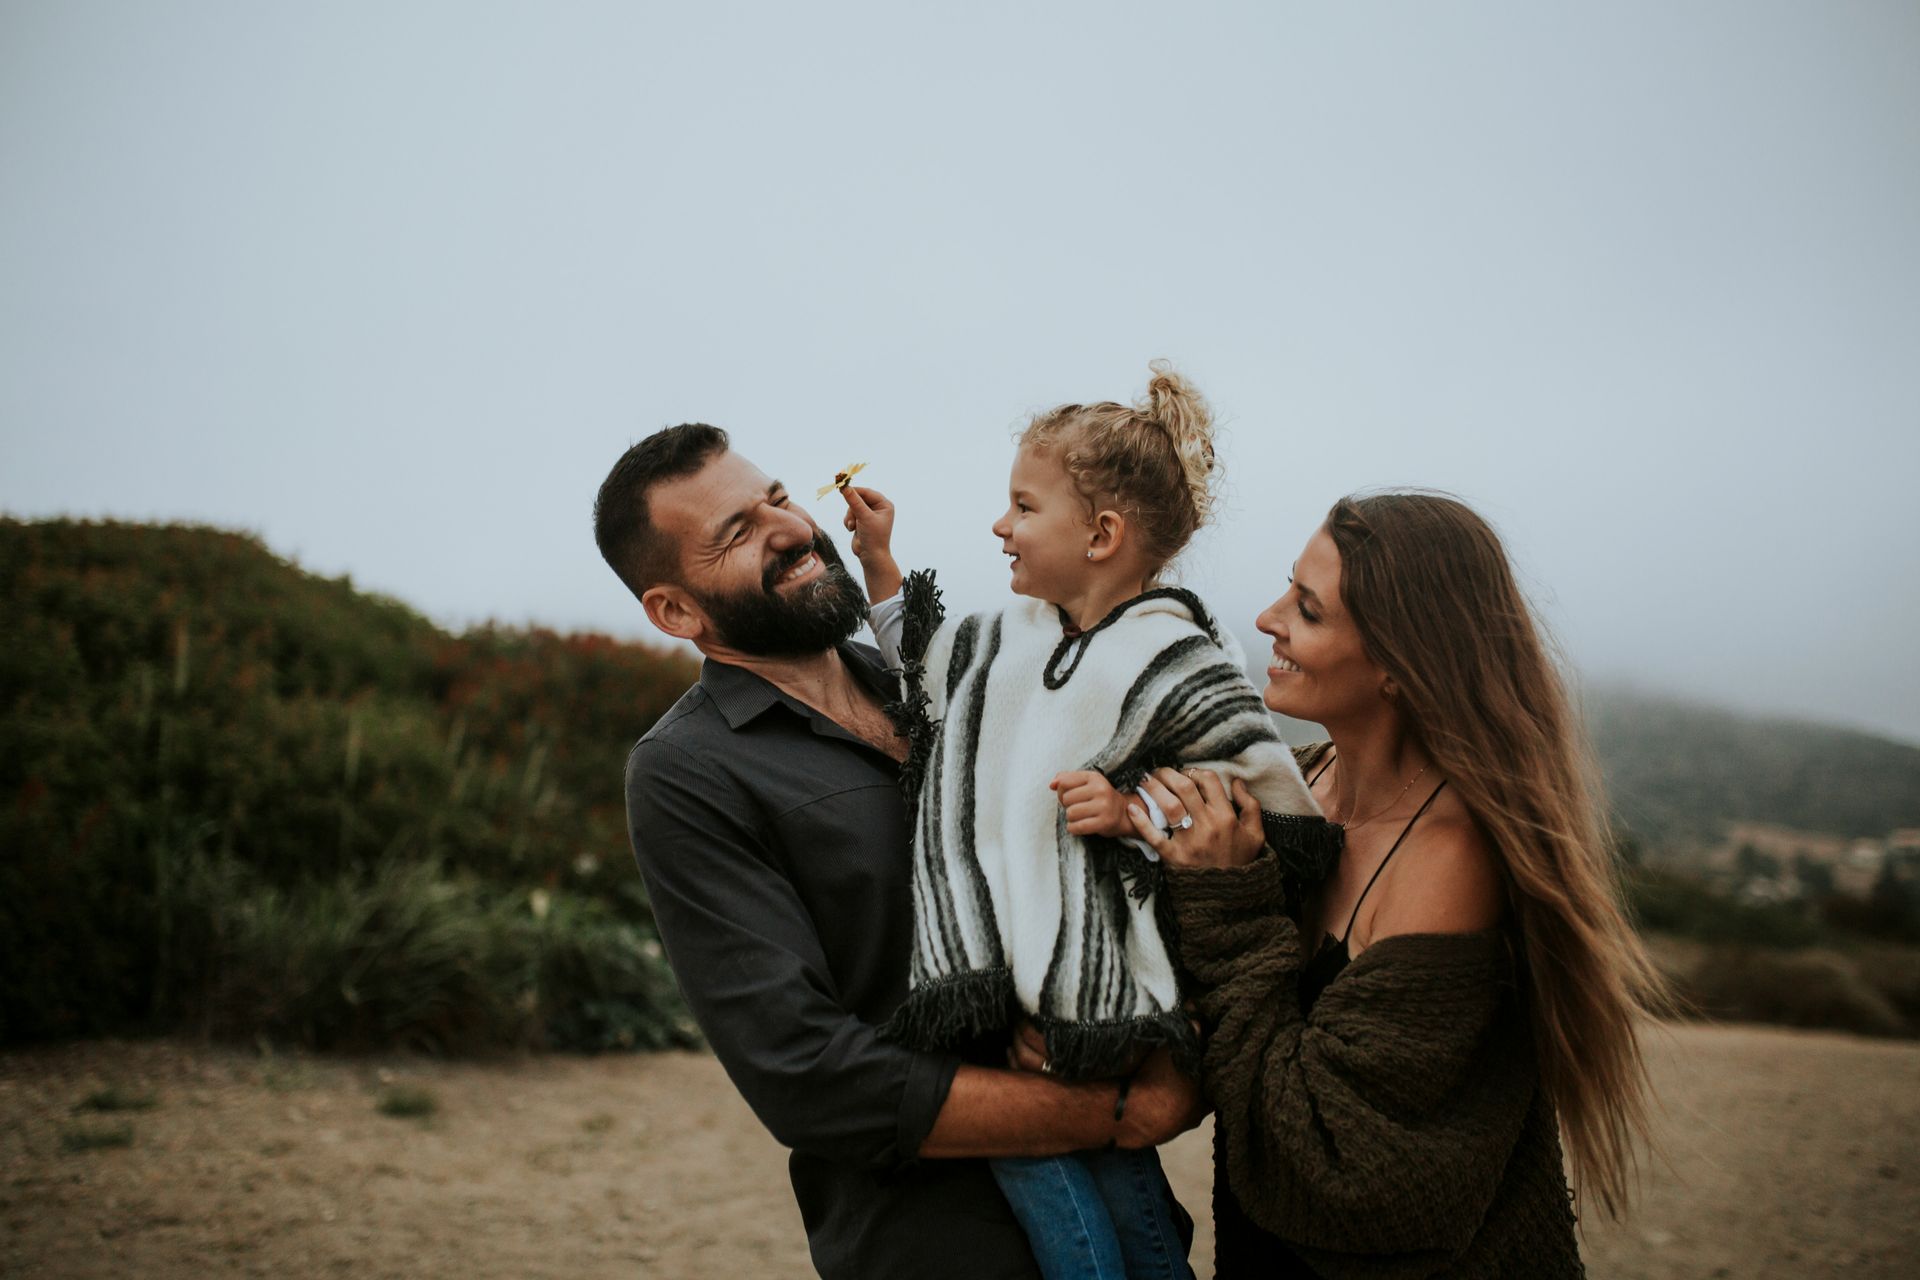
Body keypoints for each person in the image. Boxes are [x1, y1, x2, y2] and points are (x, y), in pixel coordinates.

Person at [592, 424, 1204, 1280]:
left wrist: (1170, 1058)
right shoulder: (686, 772)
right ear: (675, 611)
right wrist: (1102, 1111)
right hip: (933, 1245)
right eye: (736, 532)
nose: (791, 528)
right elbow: (807, 1073)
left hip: (1135, 1210)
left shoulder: (946, 677)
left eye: (775, 498)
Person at [1057, 492, 1669, 1278]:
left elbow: (1345, 1177)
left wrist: (1231, 903)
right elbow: (1216, 1020)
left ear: (1397, 665)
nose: (1269, 617)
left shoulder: (1452, 863)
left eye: (1308, 610)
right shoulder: (1305, 785)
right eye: (1287, 588)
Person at [840, 362, 1321, 1280]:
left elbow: (1257, 804)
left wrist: (1135, 811)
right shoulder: (1011, 635)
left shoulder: (1170, 652)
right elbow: (927, 665)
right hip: (1005, 966)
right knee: (1113, 1171)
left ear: (1102, 533)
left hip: (1111, 970)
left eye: (1024, 507)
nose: (1000, 526)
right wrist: (879, 564)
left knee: (1033, 1155)